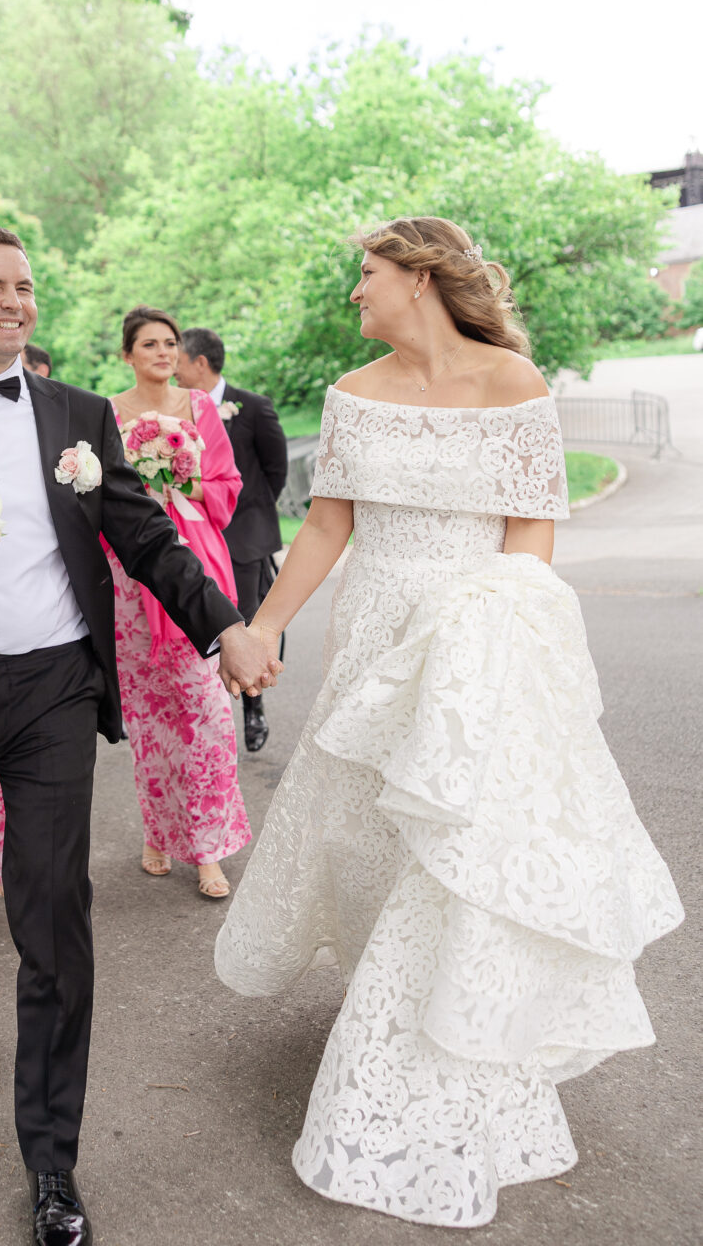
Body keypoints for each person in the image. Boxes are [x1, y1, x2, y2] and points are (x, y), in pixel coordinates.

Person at [214, 217, 683, 1229]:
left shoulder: (514, 387)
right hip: (372, 637)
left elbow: (528, 542)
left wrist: (493, 654)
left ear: (419, 277)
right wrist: (261, 626)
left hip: (472, 650)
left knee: (456, 855)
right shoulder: (349, 395)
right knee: (378, 840)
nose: (356, 292)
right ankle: (414, 1015)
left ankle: (423, 1069)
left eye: (367, 273)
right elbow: (328, 524)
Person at [0, 226, 277, 1246]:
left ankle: (52, 1164)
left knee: (53, 908)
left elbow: (143, 532)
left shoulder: (78, 416)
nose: (13, 300)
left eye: (24, 286)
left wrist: (226, 626)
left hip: (51, 687)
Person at [107, 306, 250, 896]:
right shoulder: (107, 414)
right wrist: (143, 482)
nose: (163, 353)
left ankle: (209, 848)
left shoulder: (202, 409)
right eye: (149, 344)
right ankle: (159, 832)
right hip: (131, 578)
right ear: (128, 355)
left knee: (206, 713)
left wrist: (179, 479)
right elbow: (102, 496)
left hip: (194, 565)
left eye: (169, 343)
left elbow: (226, 486)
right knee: (149, 716)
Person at [177, 327, 288, 752]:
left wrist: (252, 519)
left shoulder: (253, 407)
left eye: (179, 360)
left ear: (200, 363)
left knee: (246, 621)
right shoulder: (178, 408)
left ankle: (253, 706)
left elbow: (275, 469)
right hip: (196, 531)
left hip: (244, 534)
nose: (174, 370)